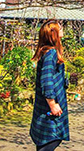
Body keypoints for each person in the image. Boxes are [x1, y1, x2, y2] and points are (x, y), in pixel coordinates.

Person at [30, 20, 70, 151]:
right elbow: (46, 80)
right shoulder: (50, 54)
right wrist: (52, 104)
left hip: (47, 106)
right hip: (48, 107)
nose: (62, 30)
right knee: (51, 139)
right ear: (54, 34)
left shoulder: (46, 52)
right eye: (60, 28)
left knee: (47, 140)